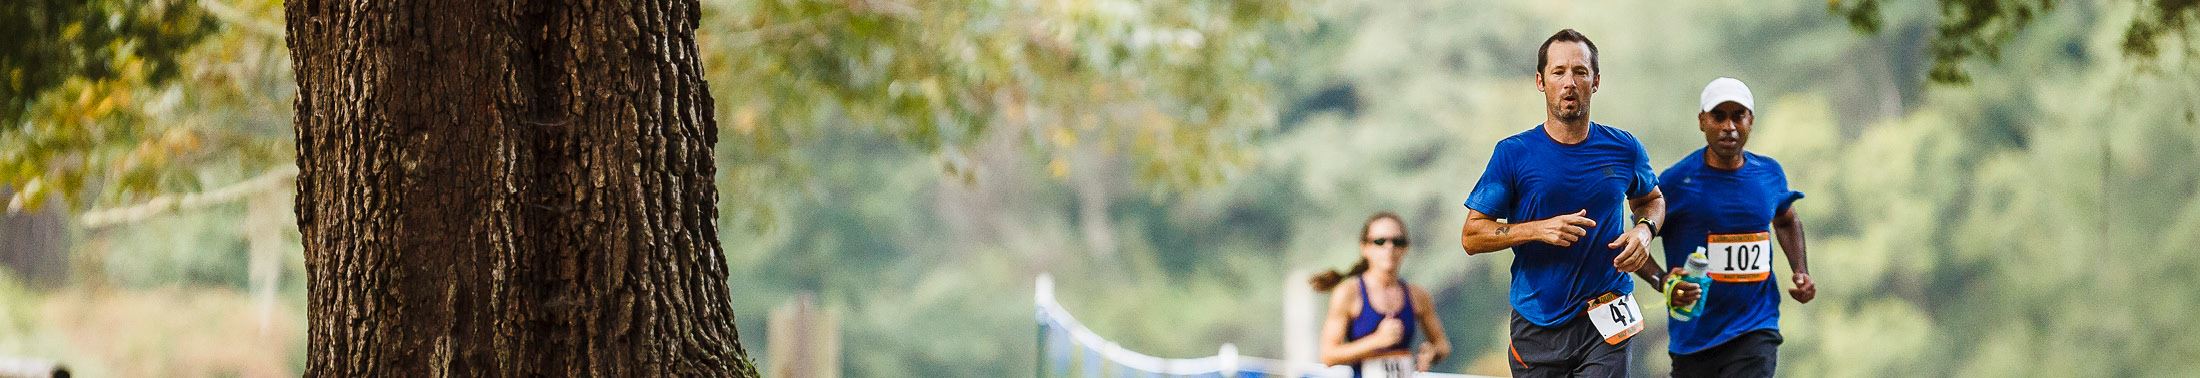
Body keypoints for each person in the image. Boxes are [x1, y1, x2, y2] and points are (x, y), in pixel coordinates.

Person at [1456, 29, 1672, 377]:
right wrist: (1539, 229)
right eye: (1559, 72)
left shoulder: (1624, 148)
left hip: (1607, 310)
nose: (1569, 82)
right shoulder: (1513, 154)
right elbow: (1472, 235)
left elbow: (1651, 200)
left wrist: (1644, 232)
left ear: (1595, 81)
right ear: (1541, 81)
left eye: (1580, 72)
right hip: (1537, 322)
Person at [1654, 77, 1816, 377]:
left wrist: (1800, 270)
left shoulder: (1769, 174)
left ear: (1750, 120)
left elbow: (1786, 220)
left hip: (1755, 328)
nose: (1729, 126)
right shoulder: (1676, 182)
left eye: (1738, 116)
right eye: (1719, 116)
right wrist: (1663, 281)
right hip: (1693, 337)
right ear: (1702, 121)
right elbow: (1636, 240)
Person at [1313, 212, 1452, 377]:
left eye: (1397, 242)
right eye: (1380, 241)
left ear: (1406, 248)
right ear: (1365, 248)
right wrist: (1376, 341)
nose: (1389, 247)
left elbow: (1442, 344)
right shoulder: (1349, 292)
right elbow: (1328, 355)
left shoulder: (1417, 295)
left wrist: (1432, 353)